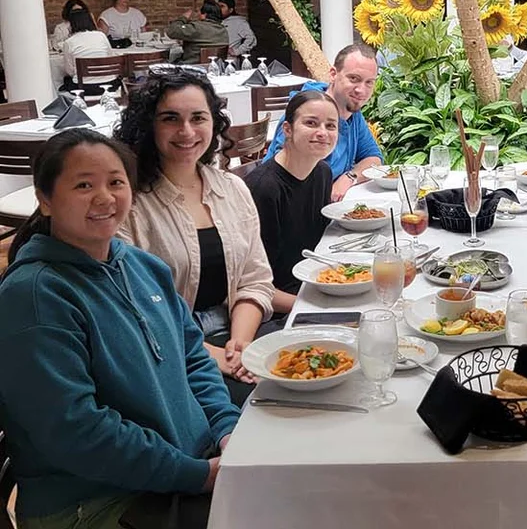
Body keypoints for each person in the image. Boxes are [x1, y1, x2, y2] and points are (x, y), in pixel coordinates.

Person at [0, 129, 237, 527]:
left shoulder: (141, 266)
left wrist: (228, 430)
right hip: (96, 502)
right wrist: (197, 475)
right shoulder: (35, 296)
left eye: (115, 182)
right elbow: (78, 432)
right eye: (83, 185)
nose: (105, 198)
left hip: (178, 469)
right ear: (44, 199)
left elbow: (193, 358)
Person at [114, 69, 276, 405]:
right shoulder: (129, 203)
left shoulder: (232, 189)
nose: (186, 131)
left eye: (198, 117)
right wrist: (216, 358)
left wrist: (240, 345)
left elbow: (254, 280)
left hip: (235, 330)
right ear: (149, 126)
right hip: (167, 352)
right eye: (170, 118)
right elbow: (135, 312)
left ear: (214, 124)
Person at [245, 91, 337, 310]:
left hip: (316, 285)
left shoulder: (322, 172)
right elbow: (252, 284)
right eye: (311, 123)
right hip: (279, 304)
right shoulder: (264, 189)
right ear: (287, 129)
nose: (322, 133)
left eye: (331, 126)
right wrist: (312, 306)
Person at [265, 43, 383, 201]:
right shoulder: (304, 113)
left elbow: (373, 157)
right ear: (333, 74)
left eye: (369, 82)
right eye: (354, 79)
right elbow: (287, 178)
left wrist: (349, 178)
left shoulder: (352, 113)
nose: (361, 90)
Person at [60, 6, 117, 94]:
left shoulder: (69, 42)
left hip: (83, 87)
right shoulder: (101, 36)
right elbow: (110, 58)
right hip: (109, 84)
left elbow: (70, 71)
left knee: (65, 80)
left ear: (72, 24)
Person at [165, 0, 230, 65]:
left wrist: (183, 18)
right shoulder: (223, 30)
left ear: (204, 15)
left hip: (192, 68)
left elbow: (172, 31)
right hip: (216, 67)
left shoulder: (196, 27)